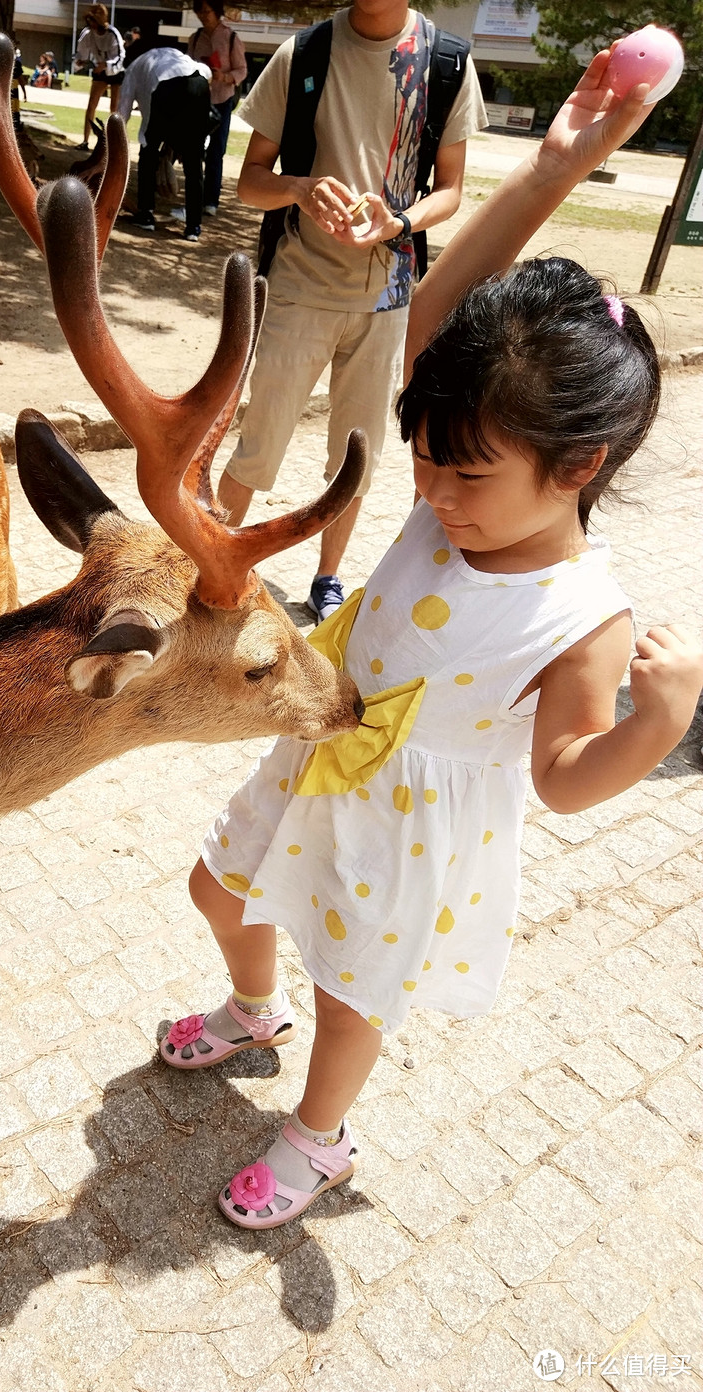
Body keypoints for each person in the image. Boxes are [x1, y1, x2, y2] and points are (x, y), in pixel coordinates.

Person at [158, 52, 703, 1230]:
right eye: (426, 460)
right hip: (319, 749)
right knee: (220, 890)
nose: (435, 491)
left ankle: (321, 1135)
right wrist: (561, 162)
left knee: (352, 996)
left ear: (580, 467)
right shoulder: (450, 484)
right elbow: (447, 305)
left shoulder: (583, 619)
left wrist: (655, 728)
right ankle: (252, 1010)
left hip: (413, 832)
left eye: (466, 474)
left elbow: (562, 780)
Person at [218, 2, 484, 624]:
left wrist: (400, 222)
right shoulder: (303, 53)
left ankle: (327, 578)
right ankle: (209, 562)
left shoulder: (444, 63)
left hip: (387, 296)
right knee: (260, 440)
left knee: (355, 454)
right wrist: (298, 187)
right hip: (299, 288)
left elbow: (450, 192)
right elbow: (250, 182)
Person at [117, 46, 212, 243]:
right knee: (194, 161)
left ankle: (146, 214)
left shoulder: (133, 69)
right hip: (199, 82)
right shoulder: (173, 54)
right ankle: (193, 226)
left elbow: (122, 112)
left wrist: (112, 143)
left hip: (165, 87)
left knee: (148, 150)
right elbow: (206, 73)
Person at [187, 0, 247, 216]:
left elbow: (242, 70)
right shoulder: (195, 38)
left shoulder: (231, 38)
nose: (203, 15)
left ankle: (211, 200)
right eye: (199, 11)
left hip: (222, 99)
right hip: (199, 100)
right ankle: (193, 196)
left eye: (207, 11)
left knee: (216, 151)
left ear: (217, 11)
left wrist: (226, 77)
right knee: (193, 150)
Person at [74, 4, 125, 150]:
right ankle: (85, 140)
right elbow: (81, 52)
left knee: (114, 107)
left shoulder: (113, 33)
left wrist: (105, 65)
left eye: (94, 21)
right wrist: (80, 61)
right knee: (91, 105)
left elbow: (120, 56)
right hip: (99, 71)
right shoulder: (88, 34)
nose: (92, 24)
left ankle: (116, 142)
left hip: (116, 72)